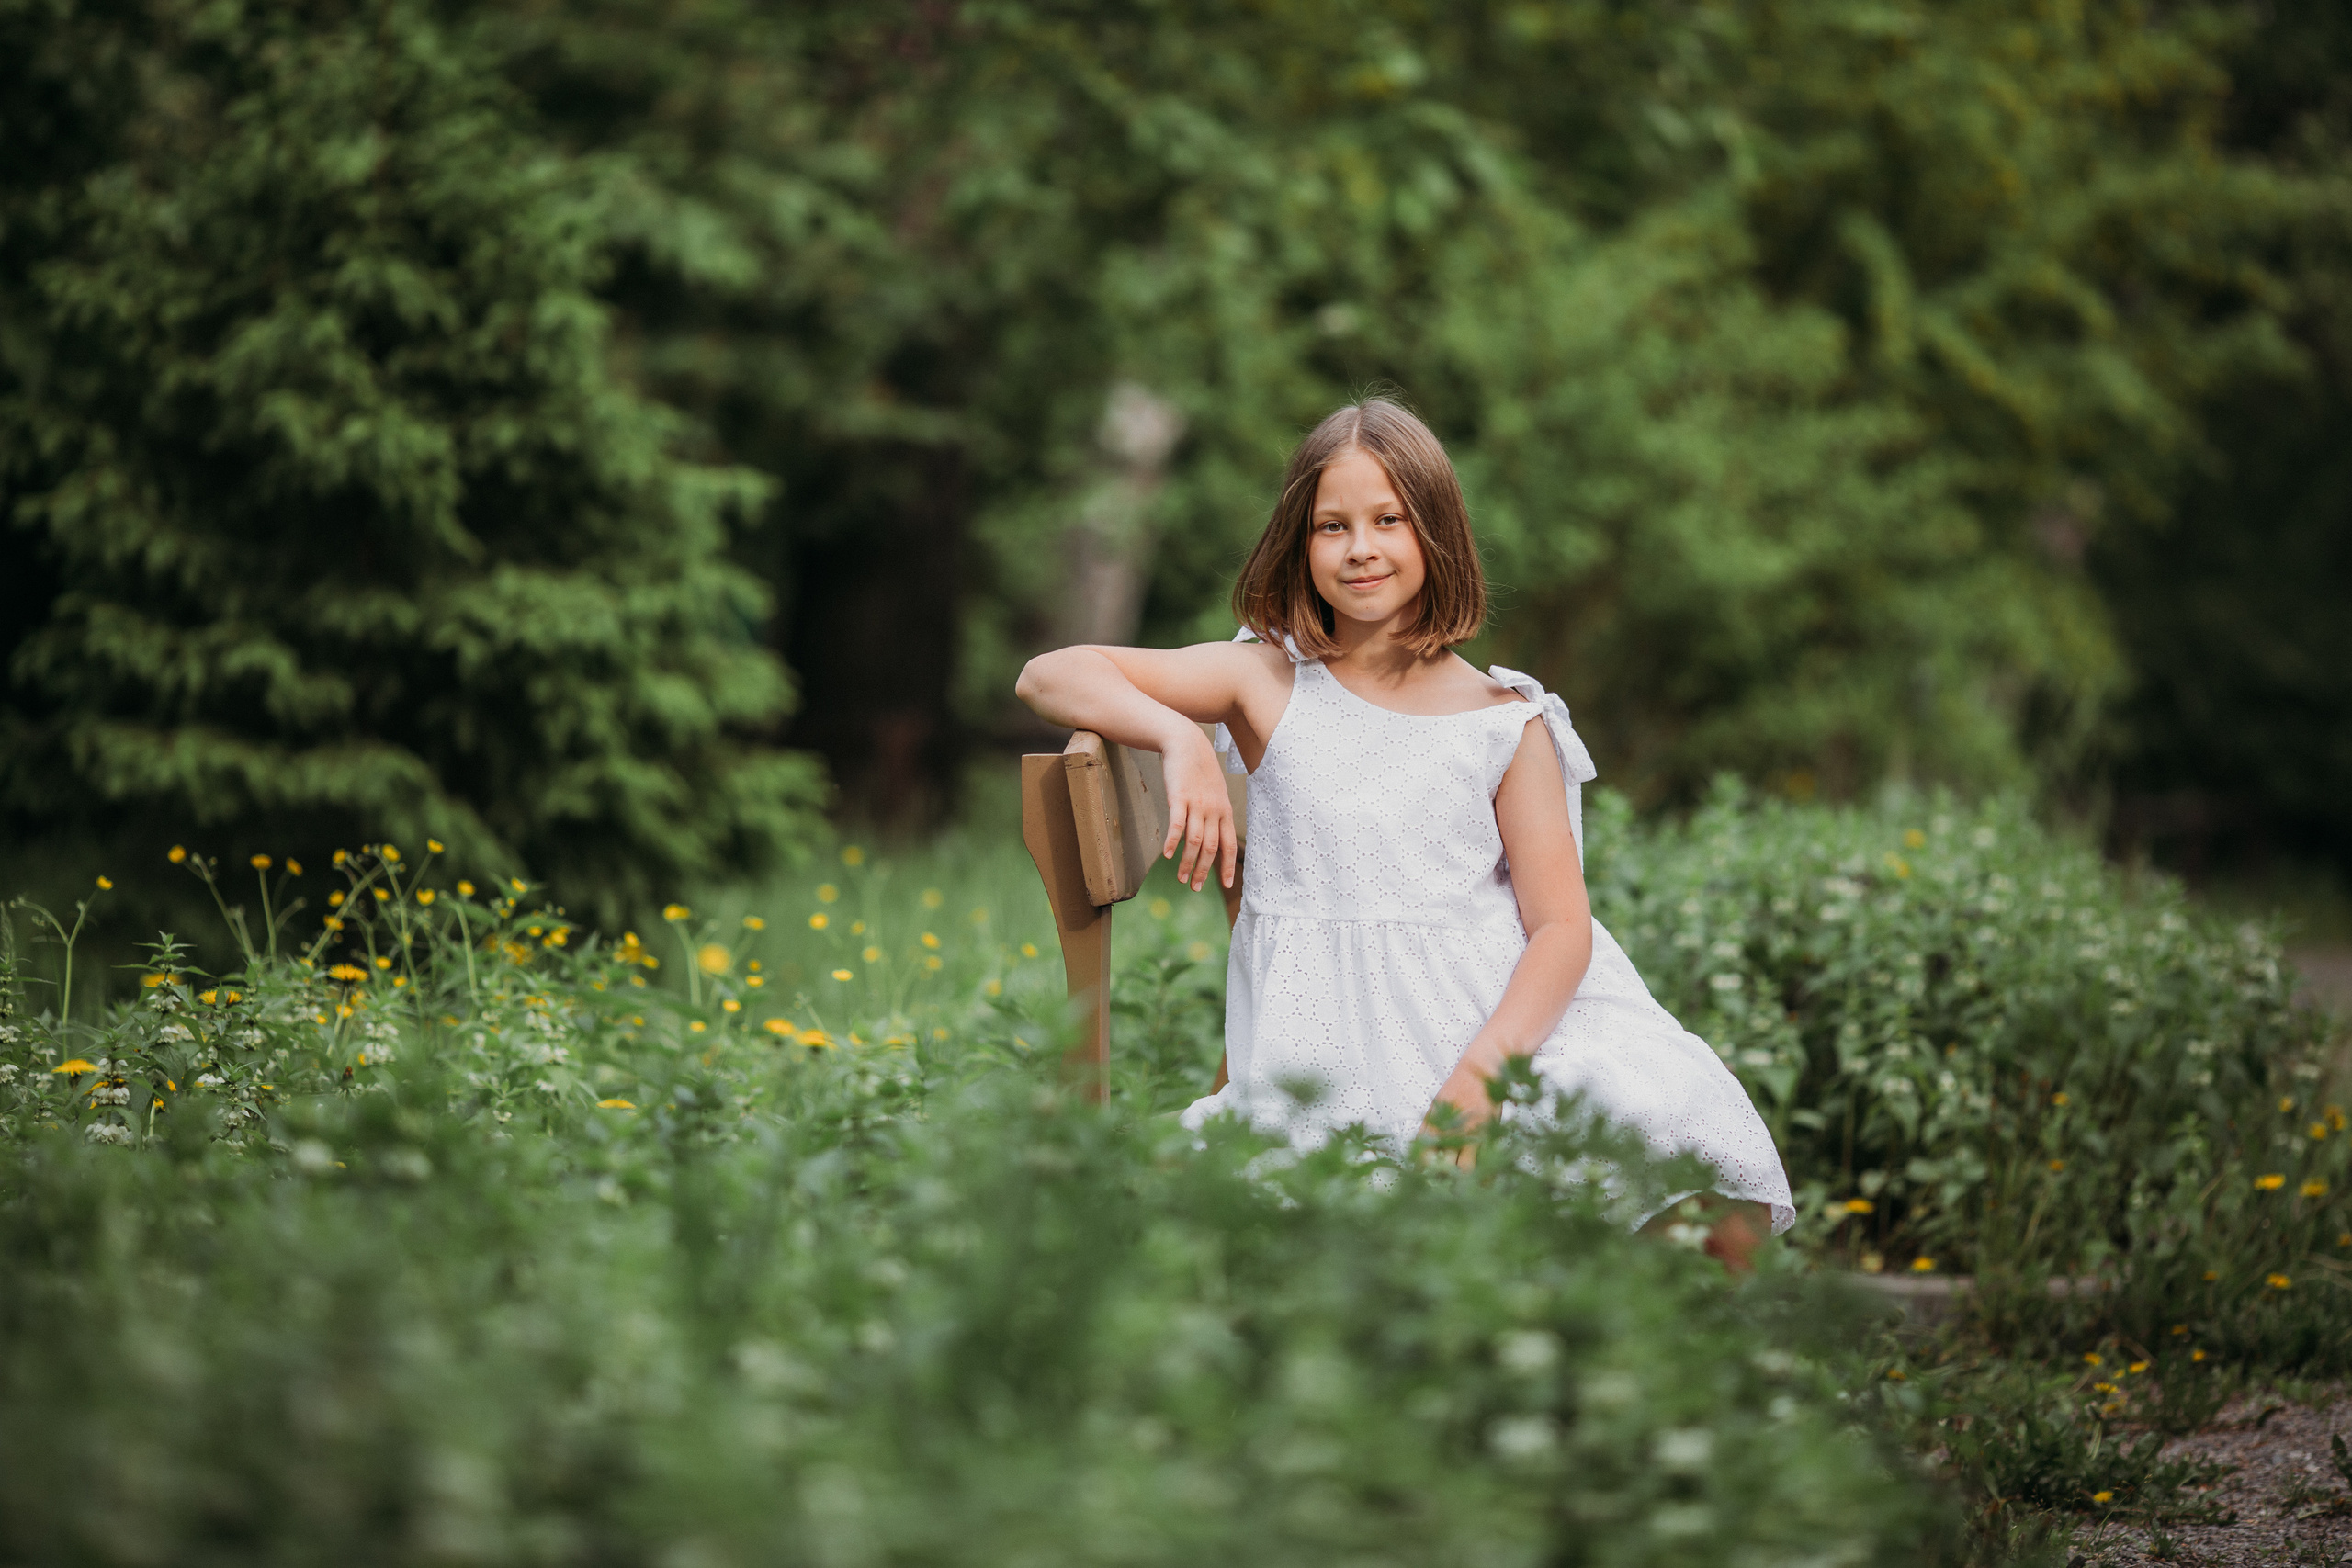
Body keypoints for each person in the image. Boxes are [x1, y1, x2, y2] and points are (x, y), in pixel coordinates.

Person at [1014, 397, 1794, 1267]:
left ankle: (1694, 1386)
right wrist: (1175, 736)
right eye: (1331, 525)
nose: (1360, 548)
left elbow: (1562, 930)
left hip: (1492, 1031)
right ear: (1300, 545)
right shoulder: (1268, 680)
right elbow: (1051, 673)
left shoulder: (1505, 721)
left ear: (1435, 533)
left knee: (1698, 1150)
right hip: (1335, 1052)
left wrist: (1479, 1085)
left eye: (1388, 520)